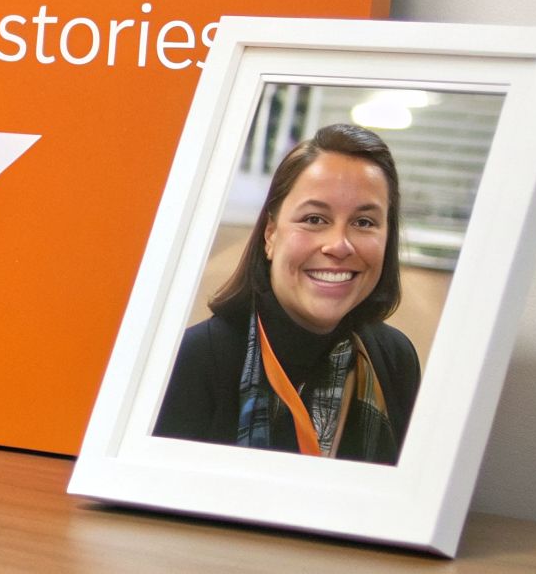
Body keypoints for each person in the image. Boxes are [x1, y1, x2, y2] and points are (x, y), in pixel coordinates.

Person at [153, 123, 420, 464]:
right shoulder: (192, 361)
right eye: (314, 219)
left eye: (365, 223)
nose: (339, 245)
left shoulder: (395, 359)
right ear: (270, 235)